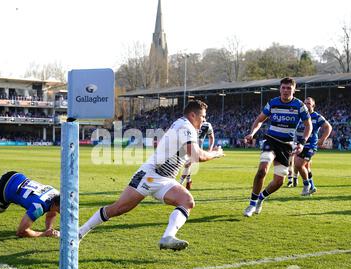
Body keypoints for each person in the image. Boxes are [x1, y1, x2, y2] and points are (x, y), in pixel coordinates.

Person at [78, 100, 224, 251]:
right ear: (193, 115)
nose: (205, 120)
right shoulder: (186, 126)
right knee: (118, 209)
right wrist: (216, 153)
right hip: (150, 174)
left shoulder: (182, 125)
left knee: (187, 201)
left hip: (165, 179)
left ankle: (167, 238)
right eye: (203, 117)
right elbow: (196, 156)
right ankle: (80, 232)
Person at [243, 77, 313, 217]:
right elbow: (259, 120)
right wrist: (252, 133)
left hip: (286, 146)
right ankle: (251, 203)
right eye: (283, 88)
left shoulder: (299, 105)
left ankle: (261, 198)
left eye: (289, 88)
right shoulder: (272, 103)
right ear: (280, 89)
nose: (286, 90)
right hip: (271, 141)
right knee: (262, 170)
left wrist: (302, 142)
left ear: (294, 89)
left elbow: (308, 125)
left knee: (279, 181)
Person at [294, 97, 332, 196]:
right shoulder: (300, 116)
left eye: (309, 103)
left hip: (311, 146)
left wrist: (322, 139)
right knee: (306, 167)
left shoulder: (317, 116)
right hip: (300, 145)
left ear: (313, 105)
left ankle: (306, 186)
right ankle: (312, 186)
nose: (306, 105)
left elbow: (328, 127)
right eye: (305, 103)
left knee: (298, 165)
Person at [179, 121, 215, 190]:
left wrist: (210, 149)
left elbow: (211, 137)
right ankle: (188, 180)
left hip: (196, 149)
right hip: (186, 146)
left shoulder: (207, 125)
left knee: (187, 165)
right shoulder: (188, 123)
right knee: (186, 165)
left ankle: (179, 185)